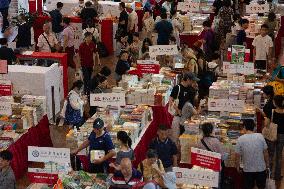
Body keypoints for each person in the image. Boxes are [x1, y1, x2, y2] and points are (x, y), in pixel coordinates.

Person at [235, 119, 269, 189]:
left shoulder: (240, 139)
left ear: (244, 127)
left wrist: (237, 167)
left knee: (248, 186)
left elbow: (237, 155)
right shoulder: (260, 136)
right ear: (254, 127)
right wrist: (267, 165)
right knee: (261, 186)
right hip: (261, 168)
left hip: (248, 169)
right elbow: (265, 153)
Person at [169, 72, 200, 144]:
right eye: (193, 80)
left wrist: (196, 92)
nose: (194, 82)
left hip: (188, 118)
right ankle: (176, 151)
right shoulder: (177, 88)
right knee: (176, 136)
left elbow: (192, 103)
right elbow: (171, 100)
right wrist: (177, 109)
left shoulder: (191, 89)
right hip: (178, 116)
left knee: (185, 137)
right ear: (188, 79)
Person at [269, 95, 284, 183]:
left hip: (272, 135)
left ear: (275, 102)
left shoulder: (273, 111)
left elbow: (270, 122)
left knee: (271, 154)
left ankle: (270, 173)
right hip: (282, 135)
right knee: (279, 155)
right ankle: (277, 175)